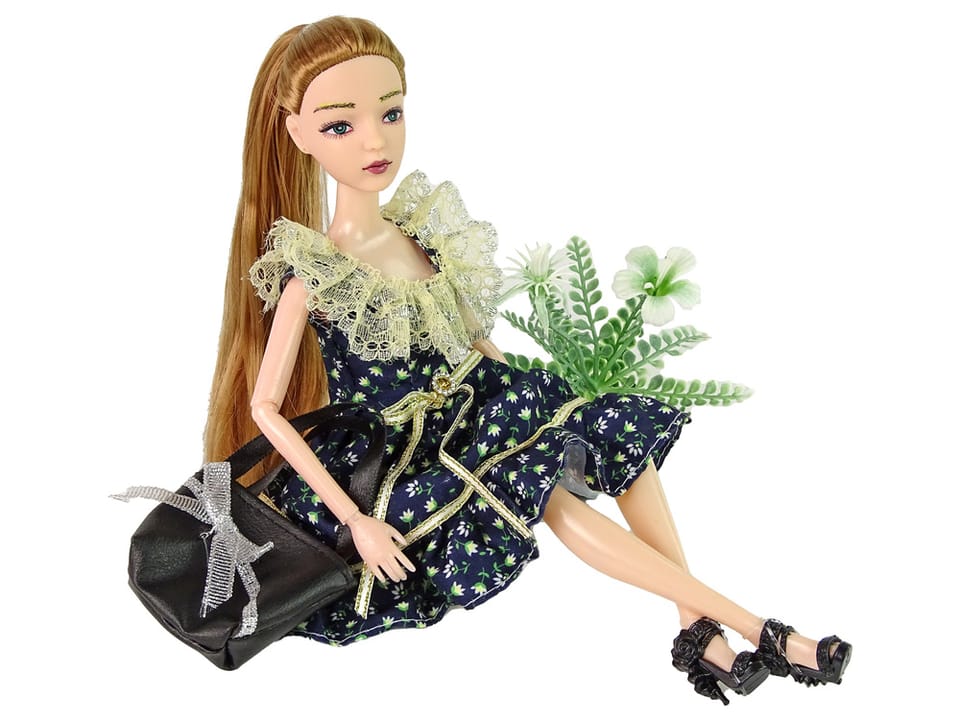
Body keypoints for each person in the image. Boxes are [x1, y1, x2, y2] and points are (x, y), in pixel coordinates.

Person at [205, 16, 850, 703]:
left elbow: (468, 333)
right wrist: (356, 521)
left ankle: (697, 627)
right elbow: (266, 409)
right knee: (554, 498)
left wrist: (534, 393)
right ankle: (760, 629)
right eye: (341, 125)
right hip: (404, 450)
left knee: (618, 444)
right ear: (297, 133)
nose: (375, 140)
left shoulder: (422, 231)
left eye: (391, 113)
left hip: (477, 396)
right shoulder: (316, 273)